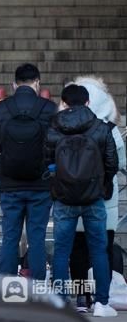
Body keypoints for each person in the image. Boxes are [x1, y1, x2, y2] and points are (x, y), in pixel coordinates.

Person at [46, 84, 118, 317]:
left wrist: (57, 184)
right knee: (98, 250)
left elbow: (46, 163)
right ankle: (101, 304)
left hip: (64, 199)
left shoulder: (53, 127)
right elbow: (111, 163)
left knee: (61, 252)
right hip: (94, 199)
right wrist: (102, 187)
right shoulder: (101, 127)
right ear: (87, 103)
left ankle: (60, 302)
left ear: (64, 103)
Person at [0, 63, 57, 280]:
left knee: (10, 237)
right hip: (41, 184)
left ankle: (5, 287)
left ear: (14, 84)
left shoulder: (0, 109)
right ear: (37, 83)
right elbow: (56, 144)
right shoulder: (50, 108)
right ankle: (36, 290)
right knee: (37, 237)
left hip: (10, 184)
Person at [69, 76, 126, 313]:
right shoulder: (110, 131)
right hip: (104, 201)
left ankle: (82, 298)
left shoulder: (64, 126)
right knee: (102, 250)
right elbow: (121, 161)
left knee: (77, 251)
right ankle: (102, 299)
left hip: (72, 198)